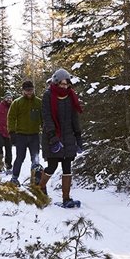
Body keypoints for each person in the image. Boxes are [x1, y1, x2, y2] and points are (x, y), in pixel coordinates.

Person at [37, 69, 84, 208]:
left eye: (67, 84)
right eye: (62, 84)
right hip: (52, 136)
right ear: (56, 82)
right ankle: (39, 190)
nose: (64, 87)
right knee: (52, 166)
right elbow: (46, 117)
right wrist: (53, 138)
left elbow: (74, 118)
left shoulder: (71, 96)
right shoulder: (48, 95)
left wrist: (78, 137)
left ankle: (66, 198)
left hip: (68, 136)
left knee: (67, 167)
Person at [7, 80, 43, 185]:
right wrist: (12, 132)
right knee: (20, 158)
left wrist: (46, 130)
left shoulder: (38, 102)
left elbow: (43, 118)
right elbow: (11, 118)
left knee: (35, 158)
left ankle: (35, 179)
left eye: (31, 90)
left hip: (34, 135)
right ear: (23, 91)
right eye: (27, 90)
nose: (29, 92)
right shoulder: (17, 103)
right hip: (21, 135)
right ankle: (14, 178)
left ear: (33, 89)